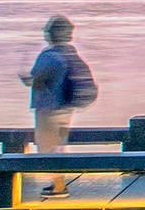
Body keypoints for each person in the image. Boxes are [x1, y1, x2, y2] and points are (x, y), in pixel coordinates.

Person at [20, 15, 95, 198]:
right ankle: (59, 183)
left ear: (50, 34)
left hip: (48, 108)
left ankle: (59, 186)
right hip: (67, 108)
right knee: (59, 145)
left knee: (47, 146)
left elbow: (37, 79)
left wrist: (27, 80)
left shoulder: (49, 55)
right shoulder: (70, 52)